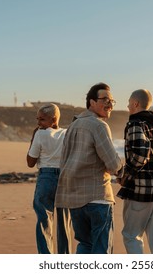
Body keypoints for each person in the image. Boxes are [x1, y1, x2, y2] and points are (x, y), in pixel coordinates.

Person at [55, 82, 123, 254]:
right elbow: (113, 163)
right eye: (105, 99)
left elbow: (65, 159)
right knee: (101, 249)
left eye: (112, 101)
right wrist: (122, 170)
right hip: (97, 196)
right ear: (92, 102)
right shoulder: (98, 125)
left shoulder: (73, 125)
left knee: (85, 245)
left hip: (74, 198)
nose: (109, 104)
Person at [116, 89, 153, 254]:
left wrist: (126, 176)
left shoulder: (135, 124)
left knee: (132, 235)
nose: (127, 106)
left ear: (135, 103)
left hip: (142, 189)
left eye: (128, 103)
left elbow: (141, 155)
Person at [27, 103, 72, 254]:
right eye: (37, 119)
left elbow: (30, 162)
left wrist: (33, 138)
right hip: (65, 178)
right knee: (64, 222)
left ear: (54, 119)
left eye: (42, 119)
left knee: (43, 220)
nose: (39, 123)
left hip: (46, 177)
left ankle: (46, 258)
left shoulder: (39, 134)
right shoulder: (67, 133)